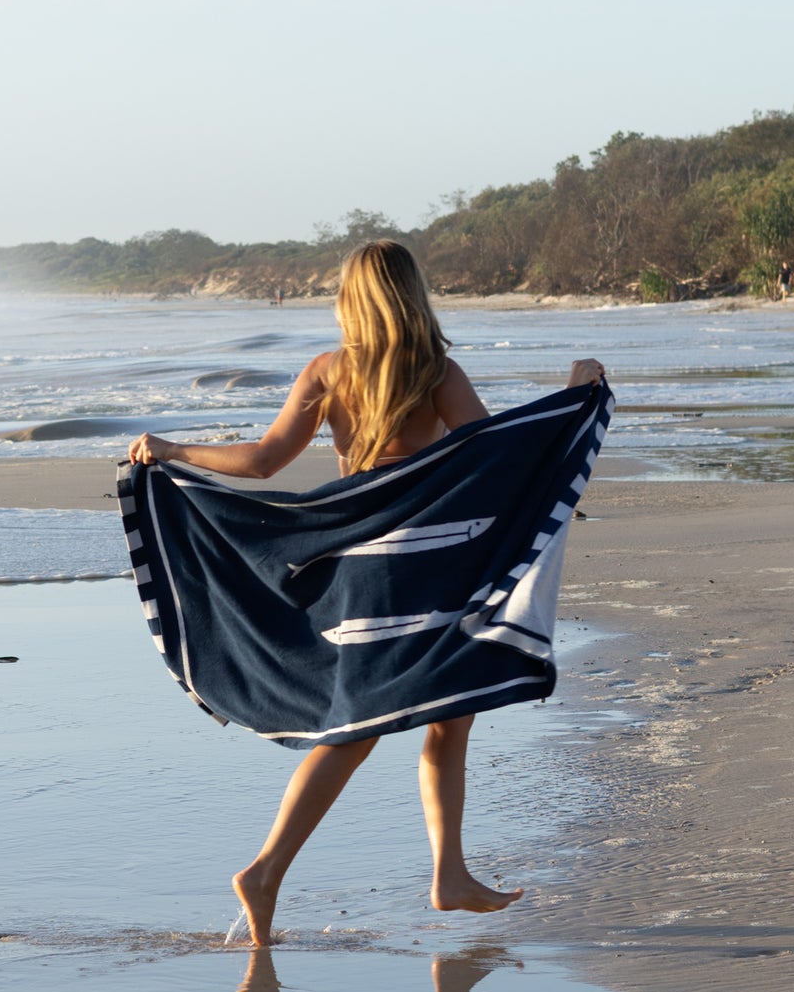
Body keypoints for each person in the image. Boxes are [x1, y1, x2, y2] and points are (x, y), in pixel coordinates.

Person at [128, 239, 607, 946]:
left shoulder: (328, 372)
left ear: (350, 300)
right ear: (412, 294)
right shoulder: (434, 371)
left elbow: (263, 461)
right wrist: (573, 396)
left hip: (362, 571)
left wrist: (173, 451)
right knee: (406, 720)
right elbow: (493, 456)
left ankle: (443, 873)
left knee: (404, 718)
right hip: (430, 567)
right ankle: (271, 871)